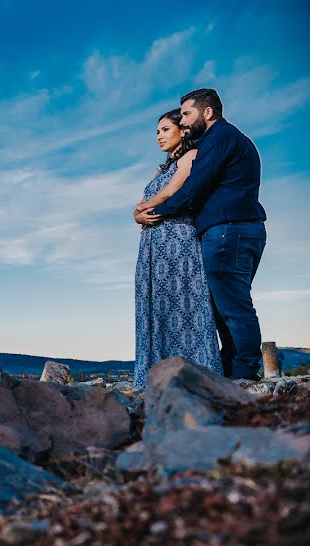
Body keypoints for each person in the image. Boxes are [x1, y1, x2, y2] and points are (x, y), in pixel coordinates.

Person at [135, 89, 267, 380]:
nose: (183, 120)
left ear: (207, 112)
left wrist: (155, 213)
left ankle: (244, 373)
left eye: (186, 114)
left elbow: (194, 188)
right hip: (231, 230)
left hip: (229, 230)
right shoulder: (220, 139)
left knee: (233, 305)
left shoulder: (220, 137)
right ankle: (232, 368)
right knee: (224, 307)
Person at [132, 109, 223, 388]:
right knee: (156, 307)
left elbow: (172, 191)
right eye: (157, 132)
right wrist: (138, 214)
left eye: (165, 130)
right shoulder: (159, 167)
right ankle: (156, 375)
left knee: (186, 306)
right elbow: (146, 200)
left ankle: (199, 375)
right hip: (152, 245)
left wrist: (138, 210)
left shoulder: (191, 157)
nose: (159, 136)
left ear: (183, 131)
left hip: (178, 244)